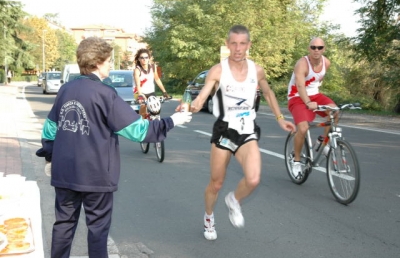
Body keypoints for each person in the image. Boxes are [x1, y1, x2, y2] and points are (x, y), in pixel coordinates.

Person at [36, 37, 192, 258]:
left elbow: (49, 130)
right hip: (96, 175)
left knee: (63, 225)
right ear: (98, 62)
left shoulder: (66, 90)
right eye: (109, 60)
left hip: (65, 173)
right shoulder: (105, 94)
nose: (110, 64)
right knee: (97, 230)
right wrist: (173, 120)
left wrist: (51, 157)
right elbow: (138, 131)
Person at [180, 25, 296, 240]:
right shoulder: (218, 70)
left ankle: (234, 200)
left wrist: (281, 118)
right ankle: (208, 217)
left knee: (253, 179)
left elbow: (269, 93)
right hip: (224, 129)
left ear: (249, 45)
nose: (238, 48)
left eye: (242, 43)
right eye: (233, 43)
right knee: (216, 183)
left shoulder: (256, 70)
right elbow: (203, 95)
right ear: (227, 44)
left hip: (247, 129)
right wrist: (192, 105)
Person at [287, 37, 337, 179]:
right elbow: (301, 86)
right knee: (302, 128)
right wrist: (308, 102)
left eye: (320, 47)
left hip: (315, 95)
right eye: (313, 47)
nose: (316, 50)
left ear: (324, 49)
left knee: (335, 111)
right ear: (309, 48)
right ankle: (296, 161)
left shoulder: (326, 63)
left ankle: (323, 142)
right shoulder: (302, 64)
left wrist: (313, 99)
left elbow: (317, 80)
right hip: (297, 96)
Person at [133, 48, 169, 117]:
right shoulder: (137, 70)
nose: (144, 59)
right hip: (139, 92)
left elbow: (157, 79)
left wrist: (164, 92)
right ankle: (142, 122)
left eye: (146, 57)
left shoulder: (153, 67)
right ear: (139, 59)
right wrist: (140, 96)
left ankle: (156, 122)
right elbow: (138, 84)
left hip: (151, 92)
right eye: (142, 58)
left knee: (156, 108)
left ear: (149, 58)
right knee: (144, 106)